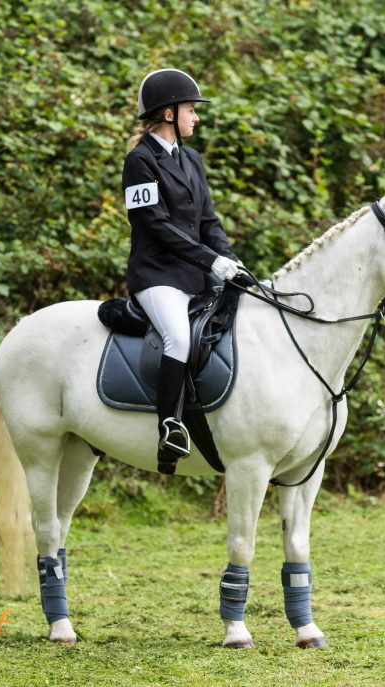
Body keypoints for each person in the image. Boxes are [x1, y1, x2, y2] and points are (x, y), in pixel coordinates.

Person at [122, 68, 241, 474]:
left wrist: (229, 259)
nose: (196, 117)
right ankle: (169, 426)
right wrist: (210, 260)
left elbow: (208, 220)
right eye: (191, 110)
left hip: (196, 276)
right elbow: (154, 223)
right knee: (177, 337)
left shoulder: (191, 160)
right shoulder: (139, 162)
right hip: (157, 276)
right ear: (169, 113)